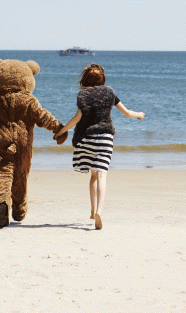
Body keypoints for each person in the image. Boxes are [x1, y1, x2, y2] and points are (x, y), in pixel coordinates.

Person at [55, 63, 145, 230]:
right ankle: (99, 211)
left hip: (87, 138)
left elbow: (77, 118)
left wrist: (61, 131)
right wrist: (139, 115)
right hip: (105, 138)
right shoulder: (110, 92)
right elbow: (126, 112)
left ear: (85, 79)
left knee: (93, 176)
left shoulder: (82, 95)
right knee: (102, 175)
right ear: (102, 80)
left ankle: (91, 210)